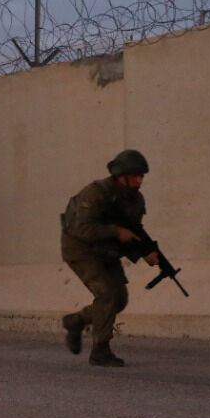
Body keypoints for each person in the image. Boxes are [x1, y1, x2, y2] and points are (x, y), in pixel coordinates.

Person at [59, 149, 160, 367]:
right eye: (134, 176)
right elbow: (81, 228)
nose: (139, 180)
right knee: (106, 294)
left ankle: (76, 321)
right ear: (120, 175)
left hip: (106, 251)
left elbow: (134, 232)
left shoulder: (136, 200)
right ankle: (100, 351)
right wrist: (115, 232)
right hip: (80, 249)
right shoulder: (96, 193)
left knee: (119, 299)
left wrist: (146, 253)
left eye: (141, 176)